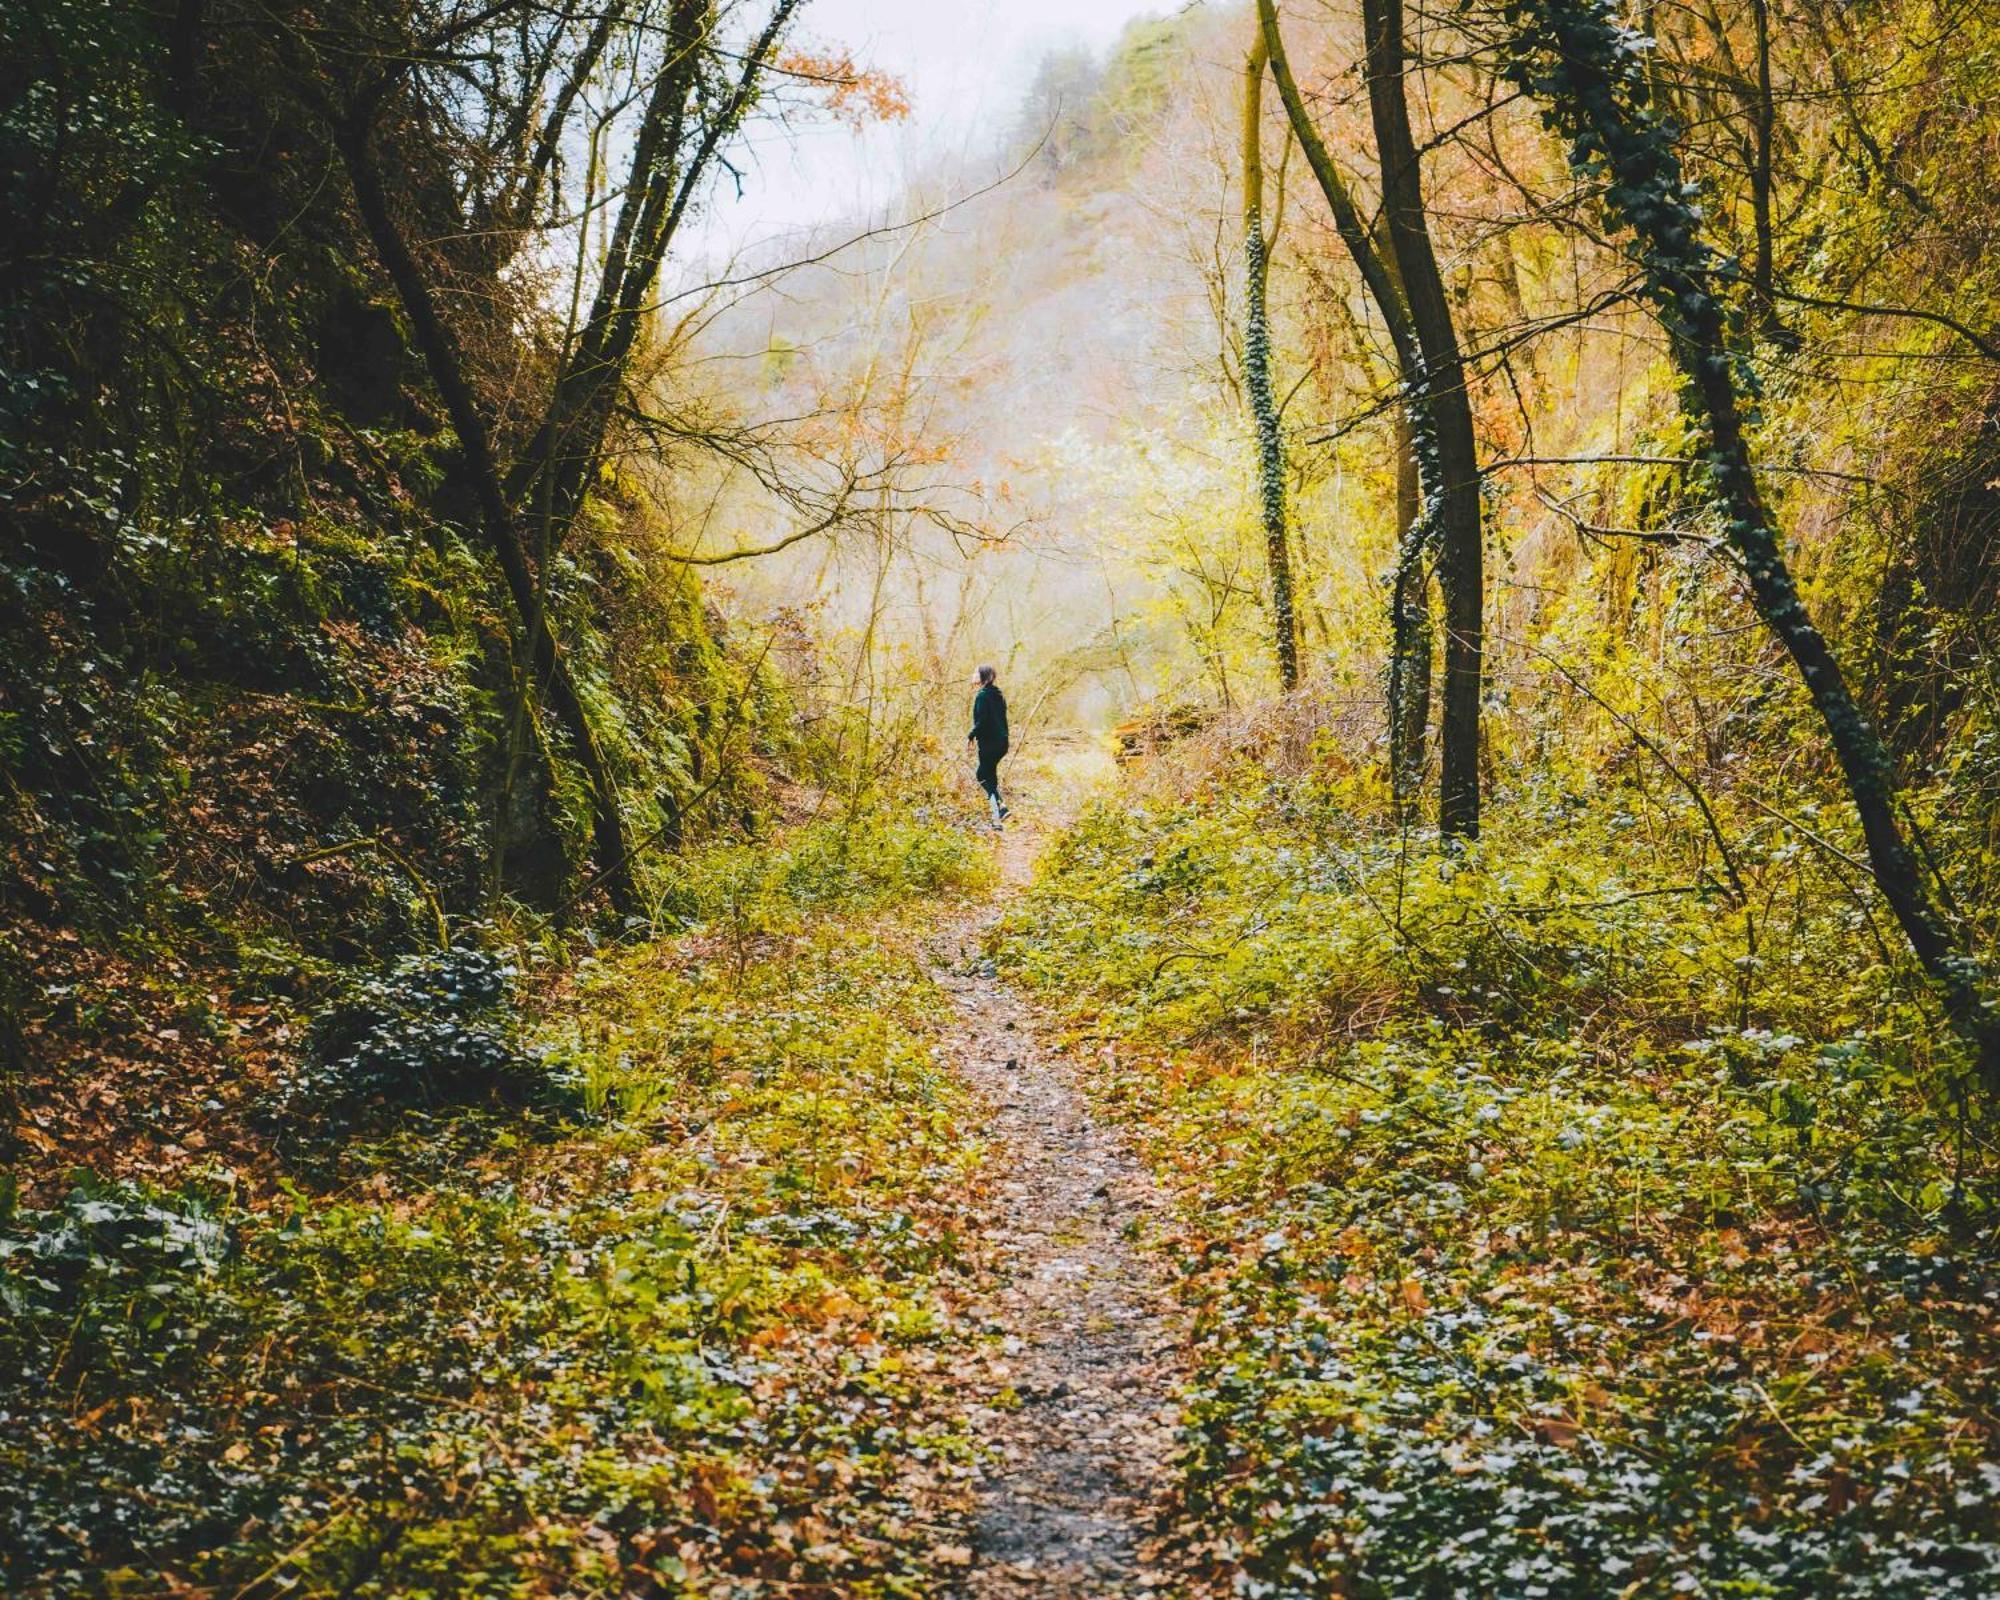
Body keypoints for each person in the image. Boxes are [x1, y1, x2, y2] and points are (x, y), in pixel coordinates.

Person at [967, 664, 1010, 829]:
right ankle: (997, 820)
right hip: (1002, 743)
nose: (973, 675)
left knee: (982, 775)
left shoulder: (982, 696)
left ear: (982, 676)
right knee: (990, 777)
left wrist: (970, 735)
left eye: (975, 672)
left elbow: (982, 722)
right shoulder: (998, 695)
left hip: (990, 743)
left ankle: (1001, 807)